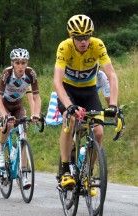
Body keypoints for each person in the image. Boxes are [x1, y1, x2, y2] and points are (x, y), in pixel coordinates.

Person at [54, 14, 119, 189]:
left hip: (89, 91)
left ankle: (87, 174)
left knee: (98, 132)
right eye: (79, 38)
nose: (84, 41)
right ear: (71, 37)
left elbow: (111, 75)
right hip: (68, 90)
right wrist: (69, 106)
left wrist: (113, 105)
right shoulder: (64, 47)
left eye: (87, 36)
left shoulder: (97, 45)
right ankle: (66, 170)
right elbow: (57, 81)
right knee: (71, 119)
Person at [0, 48, 42, 188]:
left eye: (23, 62)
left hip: (18, 105)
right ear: (12, 63)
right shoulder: (7, 73)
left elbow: (36, 96)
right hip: (4, 104)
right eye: (17, 62)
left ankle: (24, 174)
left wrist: (36, 114)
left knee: (24, 134)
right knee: (8, 125)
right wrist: (4, 115)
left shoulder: (31, 73)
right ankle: (0, 150)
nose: (21, 66)